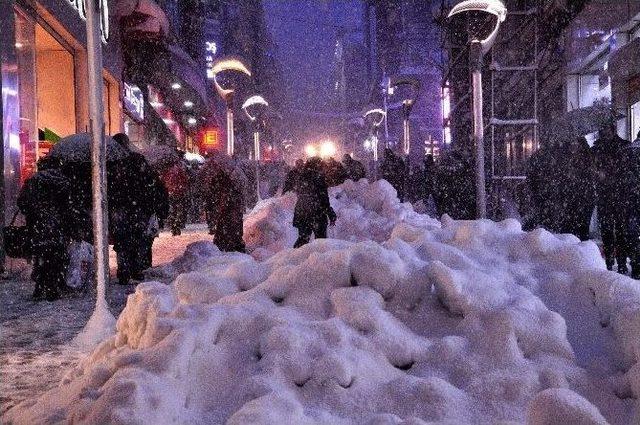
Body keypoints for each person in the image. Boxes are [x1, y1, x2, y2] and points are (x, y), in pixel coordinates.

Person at [18, 157, 74, 301]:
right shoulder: (62, 181)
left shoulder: (33, 181)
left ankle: (39, 286)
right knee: (56, 257)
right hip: (56, 226)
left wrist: (32, 213)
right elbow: (68, 206)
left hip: (37, 225)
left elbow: (22, 202)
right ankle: (52, 286)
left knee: (41, 255)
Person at [110, 133, 161, 284]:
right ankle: (137, 269)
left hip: (120, 207)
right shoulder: (137, 160)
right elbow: (150, 182)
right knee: (138, 238)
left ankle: (124, 270)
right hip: (138, 207)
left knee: (122, 240)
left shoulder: (112, 162)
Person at [593, 122, 631, 273]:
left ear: (612, 129)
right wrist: (597, 173)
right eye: (602, 129)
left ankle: (620, 262)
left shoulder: (623, 146)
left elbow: (626, 170)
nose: (604, 132)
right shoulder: (596, 149)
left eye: (606, 129)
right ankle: (609, 262)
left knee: (620, 231)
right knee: (607, 230)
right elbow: (593, 169)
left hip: (620, 195)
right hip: (606, 196)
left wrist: (607, 176)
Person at [202, 154, 248, 252]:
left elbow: (214, 190)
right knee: (233, 224)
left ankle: (227, 244)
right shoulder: (234, 174)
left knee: (227, 224)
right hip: (231, 204)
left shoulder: (224, 177)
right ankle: (233, 243)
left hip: (228, 205)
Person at [293, 157, 336, 248]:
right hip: (317, 214)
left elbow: (300, 194)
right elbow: (324, 199)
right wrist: (331, 214)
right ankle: (319, 260)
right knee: (321, 242)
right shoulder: (318, 178)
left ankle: (296, 258)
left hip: (302, 213)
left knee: (303, 239)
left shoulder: (301, 177)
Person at [160, 158, 190, 236]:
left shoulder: (166, 172)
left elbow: (162, 182)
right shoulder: (180, 171)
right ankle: (176, 225)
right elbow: (185, 180)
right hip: (179, 193)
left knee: (172, 210)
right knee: (179, 210)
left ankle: (173, 225)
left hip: (170, 193)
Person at [625, 130, 640, 279]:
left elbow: (624, 177)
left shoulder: (630, 150)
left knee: (633, 235)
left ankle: (636, 265)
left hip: (632, 200)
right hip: (633, 199)